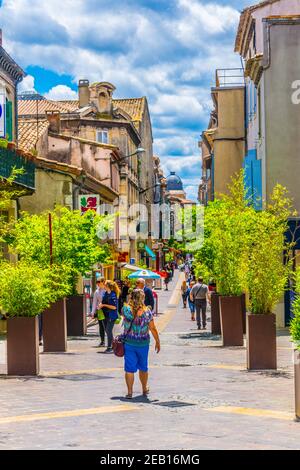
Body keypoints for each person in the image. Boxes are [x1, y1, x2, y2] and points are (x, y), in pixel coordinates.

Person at [122, 289, 160, 399]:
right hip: (143, 344)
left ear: (131, 297)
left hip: (129, 342)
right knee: (143, 367)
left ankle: (130, 392)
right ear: (142, 298)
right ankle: (144, 388)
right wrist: (157, 341)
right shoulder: (147, 312)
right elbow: (152, 328)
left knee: (129, 369)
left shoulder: (126, 310)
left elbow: (125, 318)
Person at [98, 280, 120, 353]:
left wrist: (104, 305)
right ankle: (114, 345)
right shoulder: (105, 293)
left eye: (105, 284)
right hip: (105, 315)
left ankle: (110, 347)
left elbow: (114, 307)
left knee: (108, 330)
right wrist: (100, 305)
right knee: (107, 331)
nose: (103, 285)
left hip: (111, 315)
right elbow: (103, 301)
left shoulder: (113, 295)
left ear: (108, 286)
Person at [89, 277, 106, 347]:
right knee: (101, 326)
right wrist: (92, 313)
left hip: (107, 310)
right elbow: (94, 303)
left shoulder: (107, 290)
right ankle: (102, 341)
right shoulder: (97, 291)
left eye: (99, 283)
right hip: (100, 311)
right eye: (97, 283)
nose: (98, 284)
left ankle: (111, 342)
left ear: (103, 282)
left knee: (107, 327)